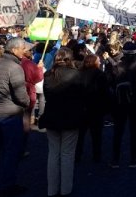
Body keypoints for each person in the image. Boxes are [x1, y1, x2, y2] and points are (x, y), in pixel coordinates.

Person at [0, 37, 30, 196]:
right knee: (11, 151)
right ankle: (7, 185)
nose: (25, 51)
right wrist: (27, 102)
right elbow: (21, 96)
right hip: (9, 115)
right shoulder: (15, 68)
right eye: (23, 48)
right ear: (15, 49)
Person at [40, 48, 85, 197]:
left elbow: (47, 96)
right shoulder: (76, 74)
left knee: (53, 154)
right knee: (67, 154)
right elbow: (81, 96)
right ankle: (66, 189)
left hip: (52, 116)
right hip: (71, 118)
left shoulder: (48, 75)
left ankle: (51, 190)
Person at [109, 41, 136, 168]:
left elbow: (111, 83)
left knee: (118, 131)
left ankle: (115, 159)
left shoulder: (117, 66)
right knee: (134, 131)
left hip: (119, 103)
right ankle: (134, 158)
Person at [76, 54, 110, 163]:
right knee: (96, 135)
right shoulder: (100, 74)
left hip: (82, 108)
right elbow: (105, 93)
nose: (100, 62)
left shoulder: (78, 73)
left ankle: (77, 155)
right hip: (96, 108)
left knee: (80, 135)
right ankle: (96, 155)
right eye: (98, 61)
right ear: (94, 62)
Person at [20, 41, 43, 155]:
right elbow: (37, 78)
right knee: (24, 123)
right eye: (29, 50)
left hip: (12, 96)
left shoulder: (14, 61)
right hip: (26, 94)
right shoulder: (28, 64)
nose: (31, 51)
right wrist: (39, 69)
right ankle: (21, 148)